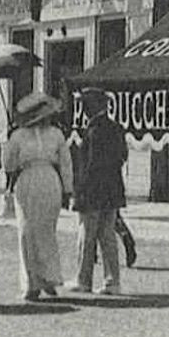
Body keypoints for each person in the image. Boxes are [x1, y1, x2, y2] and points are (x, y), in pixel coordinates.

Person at [1, 92, 74, 301]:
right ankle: (48, 278)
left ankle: (34, 282)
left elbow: (9, 165)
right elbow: (66, 163)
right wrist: (67, 189)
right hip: (50, 180)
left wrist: (11, 145)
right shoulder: (56, 135)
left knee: (28, 232)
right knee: (44, 231)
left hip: (29, 178)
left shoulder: (18, 136)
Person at [67, 88, 128, 295]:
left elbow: (89, 166)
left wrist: (79, 192)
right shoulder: (116, 128)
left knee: (87, 236)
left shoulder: (93, 131)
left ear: (92, 106)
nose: (83, 109)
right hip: (112, 190)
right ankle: (113, 281)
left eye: (85, 104)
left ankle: (83, 279)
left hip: (92, 191)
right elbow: (122, 157)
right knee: (108, 237)